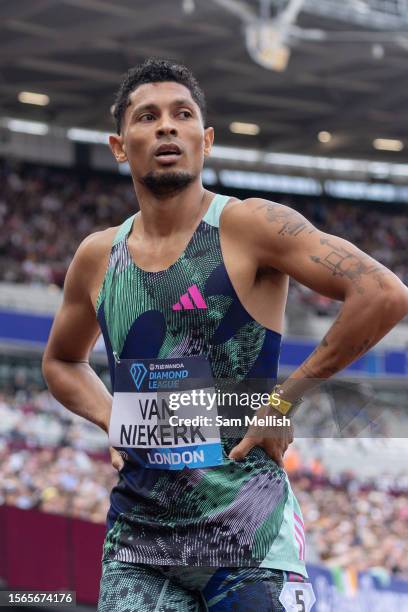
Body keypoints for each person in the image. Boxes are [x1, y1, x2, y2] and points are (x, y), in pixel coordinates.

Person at [42, 58, 408, 611]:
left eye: (181, 114)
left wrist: (285, 400)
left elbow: (383, 294)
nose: (166, 126)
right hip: (139, 544)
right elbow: (62, 361)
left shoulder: (250, 225)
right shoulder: (98, 256)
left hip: (248, 535)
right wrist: (112, 418)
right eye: (147, 116)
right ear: (119, 146)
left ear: (205, 139)